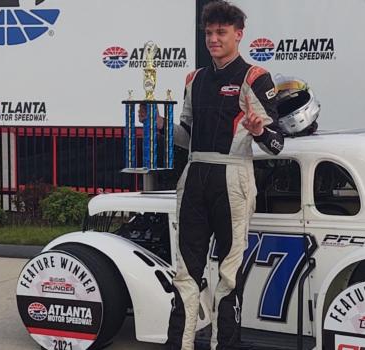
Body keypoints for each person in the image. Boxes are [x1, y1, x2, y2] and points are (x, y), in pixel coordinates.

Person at [140, 2, 284, 349]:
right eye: (209, 33)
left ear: (238, 34)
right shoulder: (195, 78)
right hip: (194, 178)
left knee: (229, 276)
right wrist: (161, 128)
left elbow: (276, 143)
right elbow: (187, 136)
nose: (214, 39)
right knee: (186, 273)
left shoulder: (254, 77)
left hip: (233, 178)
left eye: (221, 33)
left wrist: (258, 131)